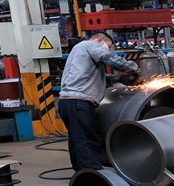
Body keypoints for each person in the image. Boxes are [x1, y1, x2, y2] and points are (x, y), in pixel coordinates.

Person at [58, 31, 141, 170]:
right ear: (99, 41)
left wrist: (121, 79)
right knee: (87, 140)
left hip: (68, 103)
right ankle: (92, 173)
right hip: (78, 103)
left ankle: (81, 172)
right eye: (108, 46)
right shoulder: (90, 45)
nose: (107, 49)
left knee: (77, 139)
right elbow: (109, 58)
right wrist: (135, 69)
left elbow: (98, 78)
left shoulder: (80, 51)